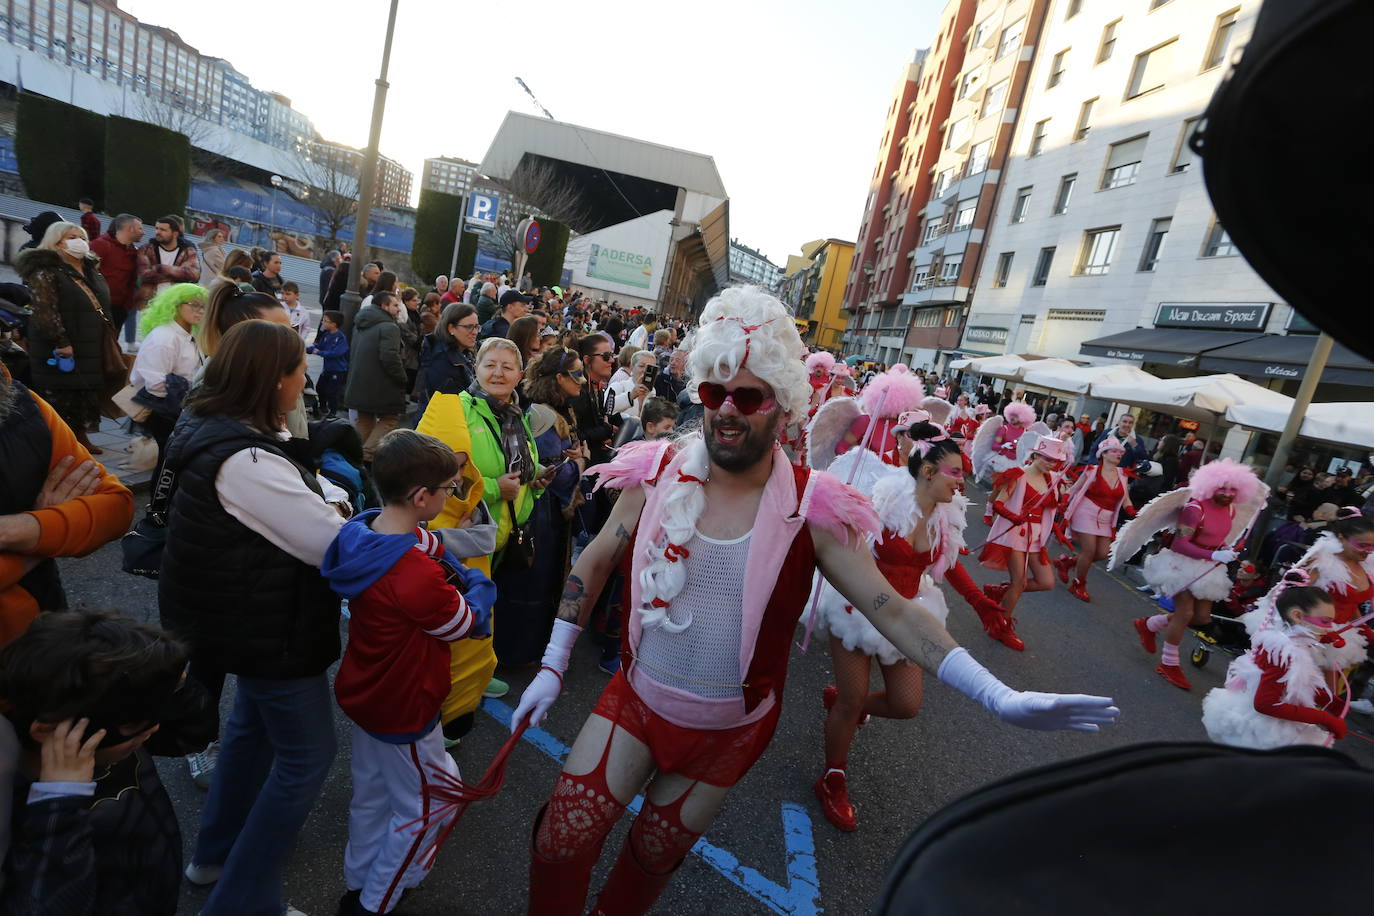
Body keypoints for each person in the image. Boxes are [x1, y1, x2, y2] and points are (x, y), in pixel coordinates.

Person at [514, 286, 1117, 914]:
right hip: (634, 704)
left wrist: (999, 695)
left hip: (728, 732)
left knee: (651, 859)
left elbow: (893, 609)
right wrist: (555, 664)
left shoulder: (813, 507)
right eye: (713, 393)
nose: (725, 410)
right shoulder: (658, 470)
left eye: (747, 397)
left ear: (784, 407)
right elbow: (598, 557)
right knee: (561, 841)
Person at [159, 320, 349, 916]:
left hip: (240, 619)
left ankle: (214, 856)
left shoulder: (214, 426)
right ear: (273, 380)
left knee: (250, 736)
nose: (305, 380)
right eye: (299, 370)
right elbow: (331, 542)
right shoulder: (242, 456)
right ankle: (246, 899)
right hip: (268, 626)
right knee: (306, 756)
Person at [811, 418, 1025, 831]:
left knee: (906, 705)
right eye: (956, 473)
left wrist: (981, 602)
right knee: (853, 701)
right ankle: (832, 776)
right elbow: (847, 545)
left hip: (909, 611)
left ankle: (842, 701)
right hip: (861, 608)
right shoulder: (887, 501)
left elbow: (951, 562)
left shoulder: (945, 514)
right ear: (928, 471)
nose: (962, 483)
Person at [321, 430, 495, 916]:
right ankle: (376, 900)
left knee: (373, 794)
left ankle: (360, 879)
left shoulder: (363, 528)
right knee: (428, 806)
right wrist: (479, 584)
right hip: (407, 702)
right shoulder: (414, 577)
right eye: (449, 489)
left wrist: (442, 556)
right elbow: (463, 623)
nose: (451, 496)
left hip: (369, 692)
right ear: (423, 497)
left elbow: (424, 542)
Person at [0, 609, 212, 915]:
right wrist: (59, 800)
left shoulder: (113, 732)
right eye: (137, 721)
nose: (152, 727)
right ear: (49, 731)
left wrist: (171, 683)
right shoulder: (14, 804)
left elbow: (194, 734)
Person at [416, 338, 545, 698]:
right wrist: (492, 487)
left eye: (507, 366)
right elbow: (437, 470)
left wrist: (537, 477)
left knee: (483, 605)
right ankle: (444, 693)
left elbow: (521, 468)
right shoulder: (456, 410)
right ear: (476, 368)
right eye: (490, 364)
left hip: (503, 532)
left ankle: (475, 672)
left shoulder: (518, 415)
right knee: (456, 609)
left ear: (520, 375)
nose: (498, 373)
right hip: (465, 531)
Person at [0, 363, 133, 643]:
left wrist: (21, 528)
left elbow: (116, 507)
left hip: (38, 648)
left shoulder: (22, 404)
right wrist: (39, 545)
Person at [1125, 459, 1266, 691]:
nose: (1228, 494)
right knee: (1185, 612)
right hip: (1181, 564)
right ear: (1210, 486)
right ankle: (1169, 663)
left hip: (1206, 566)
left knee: (1201, 618)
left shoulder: (1230, 509)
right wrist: (1215, 556)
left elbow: (1216, 538)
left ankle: (1148, 625)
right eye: (1223, 488)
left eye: (1232, 489)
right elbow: (1181, 544)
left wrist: (1223, 550)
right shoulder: (1194, 509)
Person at [1201, 575, 1349, 749]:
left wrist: (1328, 700)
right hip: (1263, 731)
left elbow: (1292, 684)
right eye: (1325, 621)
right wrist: (1324, 718)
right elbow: (1266, 704)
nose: (1329, 628)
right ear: (1297, 616)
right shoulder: (1283, 652)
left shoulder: (1289, 641)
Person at [14, 221, 118, 455]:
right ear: (57, 241)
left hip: (89, 340)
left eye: (81, 236)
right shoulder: (45, 271)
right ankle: (60, 443)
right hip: (62, 345)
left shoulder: (90, 267)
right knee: (63, 395)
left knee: (84, 392)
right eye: (72, 236)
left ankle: (79, 438)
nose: (79, 241)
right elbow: (45, 312)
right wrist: (62, 342)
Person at [979, 436, 1071, 621]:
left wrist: (1058, 527)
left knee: (1046, 582)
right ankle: (1000, 623)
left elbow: (1048, 511)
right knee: (1019, 582)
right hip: (1014, 534)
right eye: (1046, 458)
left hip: (1036, 538)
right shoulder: (1017, 474)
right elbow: (998, 503)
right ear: (1035, 454)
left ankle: (1002, 591)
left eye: (1055, 460)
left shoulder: (1053, 479)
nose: (1051, 464)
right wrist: (1013, 516)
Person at [129, 283, 206, 462]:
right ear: (175, 305)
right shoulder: (164, 337)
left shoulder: (189, 334)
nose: (200, 311)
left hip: (181, 406)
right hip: (165, 410)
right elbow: (155, 384)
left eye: (203, 306)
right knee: (167, 461)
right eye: (194, 305)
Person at [1055, 436, 1134, 602]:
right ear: (1103, 454)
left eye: (1120, 452)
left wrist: (1131, 509)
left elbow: (1125, 497)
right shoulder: (1092, 470)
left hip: (1106, 518)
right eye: (1114, 451)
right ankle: (1079, 584)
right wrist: (1064, 501)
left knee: (1103, 553)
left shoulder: (1123, 475)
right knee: (1089, 550)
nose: (1118, 454)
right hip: (1086, 511)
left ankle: (1068, 562)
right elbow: (1075, 488)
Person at [346, 291, 409, 464]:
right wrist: (403, 378)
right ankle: (367, 455)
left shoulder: (361, 323)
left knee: (365, 419)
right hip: (381, 384)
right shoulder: (389, 327)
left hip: (360, 382)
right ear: (384, 306)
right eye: (395, 305)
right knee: (390, 419)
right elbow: (389, 357)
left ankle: (352, 455)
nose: (398, 309)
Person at [135, 216, 201, 328]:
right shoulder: (146, 249)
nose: (158, 232)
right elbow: (144, 275)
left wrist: (160, 268)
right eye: (157, 228)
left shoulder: (187, 251)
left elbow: (194, 274)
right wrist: (178, 275)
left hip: (177, 304)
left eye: (163, 230)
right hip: (151, 303)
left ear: (175, 233)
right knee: (151, 339)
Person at [89, 213, 143, 338]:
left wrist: (126, 307)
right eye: (140, 228)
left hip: (119, 310)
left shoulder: (133, 252)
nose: (143, 232)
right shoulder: (100, 245)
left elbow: (131, 281)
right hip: (96, 307)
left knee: (110, 348)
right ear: (130, 229)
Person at [418, 303, 479, 412]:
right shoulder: (441, 360)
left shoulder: (463, 353)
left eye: (476, 326)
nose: (474, 332)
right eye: (469, 327)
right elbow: (452, 405)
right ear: (451, 328)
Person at [308, 310, 349, 418]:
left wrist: (320, 352)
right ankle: (323, 407)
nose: (322, 322)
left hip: (338, 370)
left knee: (332, 392)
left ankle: (333, 412)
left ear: (333, 324)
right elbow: (319, 346)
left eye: (325, 321)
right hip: (327, 368)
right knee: (320, 388)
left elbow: (337, 353)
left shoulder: (340, 337)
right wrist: (306, 349)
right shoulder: (326, 335)